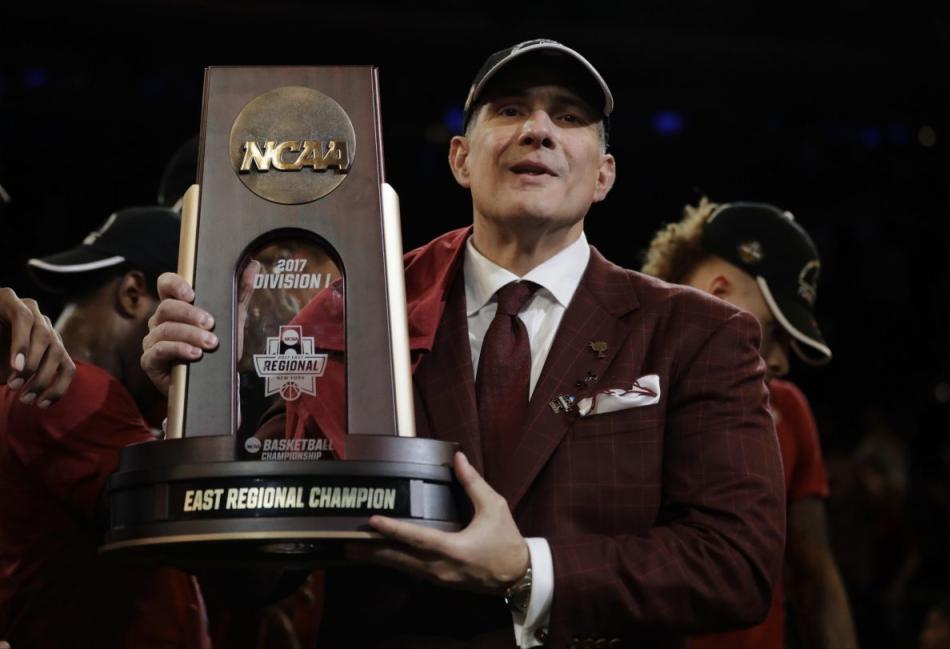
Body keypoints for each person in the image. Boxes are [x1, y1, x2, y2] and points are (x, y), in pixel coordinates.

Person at [142, 39, 786, 648]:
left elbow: (737, 566)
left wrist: (529, 568)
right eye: (509, 111)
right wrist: (194, 417)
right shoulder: (347, 310)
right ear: (460, 159)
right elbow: (259, 573)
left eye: (568, 116)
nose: (538, 129)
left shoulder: (700, 334)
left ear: (604, 176)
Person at [642, 198, 858, 648]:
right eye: (773, 332)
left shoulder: (787, 410)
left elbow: (817, 579)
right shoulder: (608, 391)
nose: (780, 362)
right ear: (717, 296)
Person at [0, 206, 211, 648]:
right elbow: (191, 520)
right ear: (134, 294)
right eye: (190, 318)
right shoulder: (71, 390)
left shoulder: (39, 392)